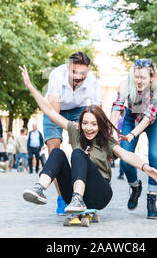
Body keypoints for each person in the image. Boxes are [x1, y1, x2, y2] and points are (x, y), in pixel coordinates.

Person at [19, 65, 157, 218]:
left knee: (78, 153)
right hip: (72, 193)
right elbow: (50, 111)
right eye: (85, 123)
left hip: (100, 194)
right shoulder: (76, 132)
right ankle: (40, 188)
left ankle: (78, 199)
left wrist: (145, 167)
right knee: (57, 152)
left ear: (99, 125)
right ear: (80, 123)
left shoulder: (106, 141)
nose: (88, 128)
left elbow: (125, 155)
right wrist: (30, 86)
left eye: (93, 124)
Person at [43, 51, 102, 215]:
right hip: (54, 110)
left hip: (78, 110)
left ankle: (82, 195)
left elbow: (98, 112)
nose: (78, 76)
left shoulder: (92, 81)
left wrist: (89, 128)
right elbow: (55, 114)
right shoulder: (56, 75)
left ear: (88, 71)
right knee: (54, 149)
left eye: (83, 73)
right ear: (68, 68)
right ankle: (62, 198)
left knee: (83, 150)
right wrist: (70, 126)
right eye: (74, 72)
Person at [110, 58, 157, 219]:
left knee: (154, 156)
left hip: (153, 122)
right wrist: (109, 129)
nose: (139, 81)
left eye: (143, 78)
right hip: (130, 118)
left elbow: (148, 119)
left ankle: (152, 198)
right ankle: (135, 187)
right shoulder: (125, 85)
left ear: (152, 78)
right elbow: (117, 107)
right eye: (137, 77)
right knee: (126, 159)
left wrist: (132, 134)